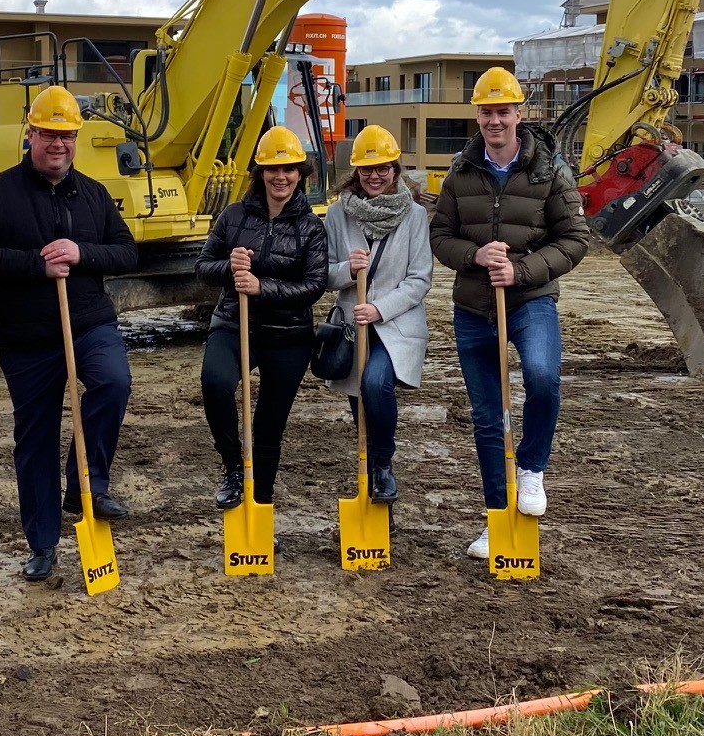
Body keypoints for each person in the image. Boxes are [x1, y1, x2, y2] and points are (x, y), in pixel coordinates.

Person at [0, 86, 138, 582]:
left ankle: (88, 485)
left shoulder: (94, 193)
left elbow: (126, 252)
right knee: (35, 440)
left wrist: (81, 254)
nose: (58, 144)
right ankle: (42, 544)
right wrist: (36, 264)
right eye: (49, 135)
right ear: (30, 135)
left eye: (67, 136)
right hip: (28, 337)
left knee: (113, 383)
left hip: (88, 324)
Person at [429, 66, 592, 560]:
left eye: (503, 111)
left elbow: (576, 240)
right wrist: (475, 257)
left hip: (530, 301)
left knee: (542, 377)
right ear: (476, 116)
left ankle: (533, 466)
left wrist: (520, 273)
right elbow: (441, 236)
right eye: (486, 112)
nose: (494, 121)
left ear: (519, 114)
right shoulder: (461, 171)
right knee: (487, 417)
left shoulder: (549, 170)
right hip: (474, 308)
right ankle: (497, 518)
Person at [196, 125, 328, 509]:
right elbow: (203, 267)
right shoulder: (233, 216)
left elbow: (315, 285)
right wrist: (228, 267)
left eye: (289, 170)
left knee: (270, 427)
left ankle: (261, 504)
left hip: (288, 336)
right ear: (260, 172)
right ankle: (233, 467)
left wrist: (262, 287)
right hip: (235, 325)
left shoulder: (311, 227)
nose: (280, 177)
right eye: (272, 169)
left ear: (301, 175)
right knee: (215, 383)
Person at [321, 124, 433, 502]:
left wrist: (379, 309)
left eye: (383, 168)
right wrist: (347, 271)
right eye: (367, 170)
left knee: (374, 384)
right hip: (353, 327)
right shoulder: (338, 215)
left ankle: (384, 464)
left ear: (395, 169)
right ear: (356, 172)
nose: (375, 176)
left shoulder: (415, 216)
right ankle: (373, 474)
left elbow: (419, 280)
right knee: (359, 402)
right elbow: (323, 274)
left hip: (395, 324)